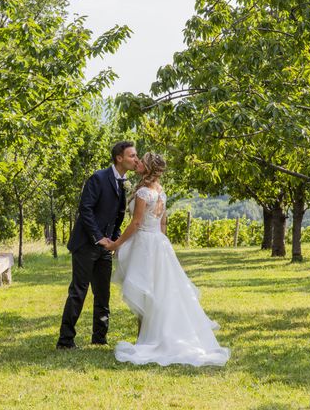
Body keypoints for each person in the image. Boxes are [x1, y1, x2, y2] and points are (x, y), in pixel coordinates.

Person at [105, 152, 230, 366]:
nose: (139, 163)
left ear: (149, 168)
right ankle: (146, 337)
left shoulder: (145, 192)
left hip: (145, 244)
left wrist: (116, 244)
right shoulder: (160, 192)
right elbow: (162, 225)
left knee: (147, 290)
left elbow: (135, 224)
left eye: (142, 161)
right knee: (157, 291)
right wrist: (161, 246)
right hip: (159, 244)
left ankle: (149, 340)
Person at [56, 141, 139, 350]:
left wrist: (114, 240)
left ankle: (100, 338)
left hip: (105, 247)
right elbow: (85, 209)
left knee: (103, 293)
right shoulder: (98, 178)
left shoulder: (123, 182)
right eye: (132, 156)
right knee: (79, 291)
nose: (135, 159)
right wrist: (98, 237)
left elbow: (117, 216)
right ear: (119, 158)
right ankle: (65, 340)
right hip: (86, 244)